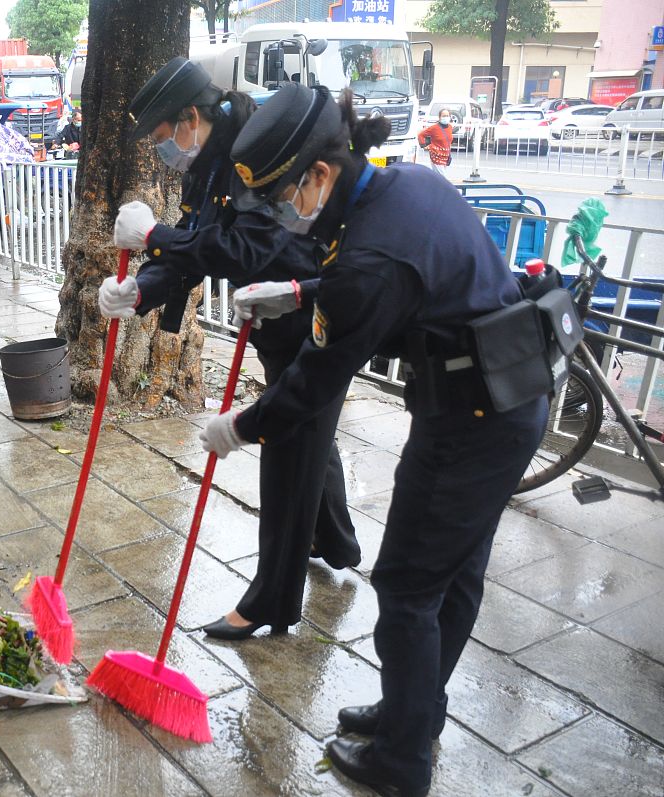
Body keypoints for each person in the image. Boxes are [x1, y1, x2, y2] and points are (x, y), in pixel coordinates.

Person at [205, 83, 550, 796]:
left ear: (320, 175)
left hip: (473, 419)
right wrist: (300, 293)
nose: (281, 213)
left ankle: (401, 760)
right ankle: (412, 711)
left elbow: (315, 381)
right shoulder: (405, 185)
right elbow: (406, 279)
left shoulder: (368, 258)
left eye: (281, 196)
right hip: (501, 396)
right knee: (453, 573)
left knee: (408, 585)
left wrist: (238, 427)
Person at [98, 57, 359, 641]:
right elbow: (195, 248)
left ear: (191, 116)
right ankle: (335, 540)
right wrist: (142, 287)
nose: (168, 151)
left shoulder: (253, 151)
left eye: (166, 137)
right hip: (270, 316)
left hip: (311, 312)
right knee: (310, 433)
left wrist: (153, 237)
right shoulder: (206, 164)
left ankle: (272, 600)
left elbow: (243, 252)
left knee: (288, 448)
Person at [417, 111, 453, 175]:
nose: (446, 117)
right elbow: (421, 135)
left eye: (447, 116)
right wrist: (423, 145)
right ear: (439, 117)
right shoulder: (434, 128)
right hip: (436, 156)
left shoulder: (450, 127)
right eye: (444, 116)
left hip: (445, 157)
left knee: (438, 178)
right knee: (442, 179)